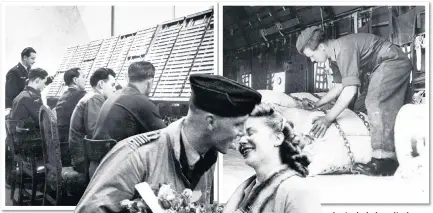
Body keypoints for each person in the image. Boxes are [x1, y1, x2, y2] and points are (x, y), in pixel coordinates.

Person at [74, 74, 262, 213]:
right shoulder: (136, 157)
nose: (242, 133)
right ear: (210, 122)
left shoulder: (207, 158)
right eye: (238, 124)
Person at [296, 26, 412, 176]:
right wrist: (317, 104)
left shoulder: (344, 50)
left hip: (392, 60)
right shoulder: (334, 58)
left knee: (375, 101)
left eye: (312, 56)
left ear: (321, 47)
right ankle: (379, 146)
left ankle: (385, 161)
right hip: (379, 66)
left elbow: (350, 90)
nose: (312, 60)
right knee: (360, 105)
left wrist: (328, 118)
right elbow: (338, 87)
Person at [223, 103, 321, 213]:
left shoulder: (296, 190)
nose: (241, 141)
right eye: (240, 136)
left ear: (277, 138)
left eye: (251, 133)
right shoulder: (246, 189)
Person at [92, 61, 166, 142]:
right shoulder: (141, 101)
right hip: (116, 153)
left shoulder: (115, 94)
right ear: (150, 82)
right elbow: (165, 136)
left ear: (129, 78)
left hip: (102, 152)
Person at [69, 68, 116, 174]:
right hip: (84, 161)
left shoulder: (91, 96)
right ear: (101, 84)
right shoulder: (95, 98)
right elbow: (95, 133)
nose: (114, 90)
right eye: (112, 85)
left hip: (82, 157)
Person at [55, 68, 87, 143]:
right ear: (75, 80)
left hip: (61, 140)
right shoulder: (82, 95)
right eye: (83, 77)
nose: (85, 80)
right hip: (74, 141)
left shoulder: (62, 96)